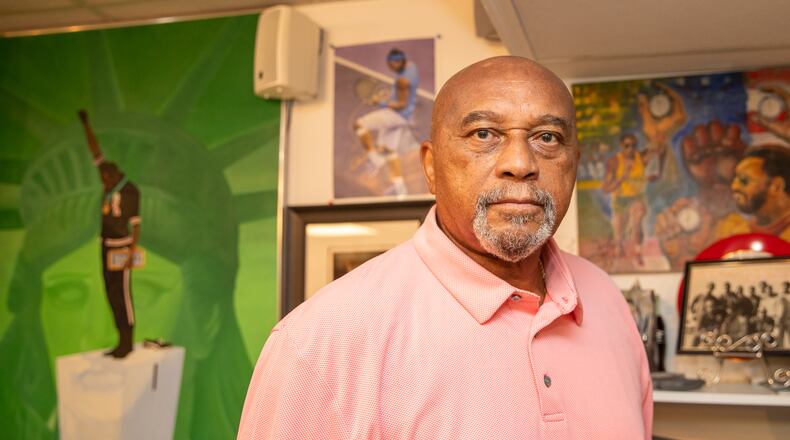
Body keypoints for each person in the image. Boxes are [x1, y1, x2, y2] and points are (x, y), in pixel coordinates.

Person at [238, 57, 652, 439]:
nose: (521, 162)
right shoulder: (320, 343)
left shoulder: (607, 300)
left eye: (547, 136)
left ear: (574, 161)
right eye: (484, 134)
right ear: (431, 167)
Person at [79, 110, 140, 359]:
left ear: (115, 175)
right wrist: (86, 124)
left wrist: (131, 252)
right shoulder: (107, 179)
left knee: (122, 293)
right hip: (105, 244)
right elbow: (95, 152)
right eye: (102, 177)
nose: (103, 181)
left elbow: (136, 225)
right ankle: (119, 340)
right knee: (110, 292)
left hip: (121, 246)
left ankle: (128, 340)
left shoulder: (130, 190)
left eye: (106, 178)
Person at [354, 48, 419, 195]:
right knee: (389, 152)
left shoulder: (404, 79)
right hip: (405, 128)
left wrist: (381, 102)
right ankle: (398, 187)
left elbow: (402, 104)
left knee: (359, 124)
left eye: (395, 62)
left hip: (401, 117)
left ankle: (376, 161)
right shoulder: (409, 71)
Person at [719, 145, 790, 240]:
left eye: (744, 180)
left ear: (775, 186)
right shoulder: (733, 229)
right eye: (735, 179)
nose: (734, 186)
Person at [601, 133, 648, 264]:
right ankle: (619, 248)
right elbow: (606, 188)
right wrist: (622, 178)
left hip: (637, 197)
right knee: (619, 233)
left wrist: (659, 169)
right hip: (620, 199)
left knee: (637, 222)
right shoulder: (614, 161)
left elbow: (660, 150)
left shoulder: (641, 158)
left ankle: (638, 253)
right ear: (622, 146)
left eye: (633, 146)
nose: (630, 149)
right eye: (627, 146)